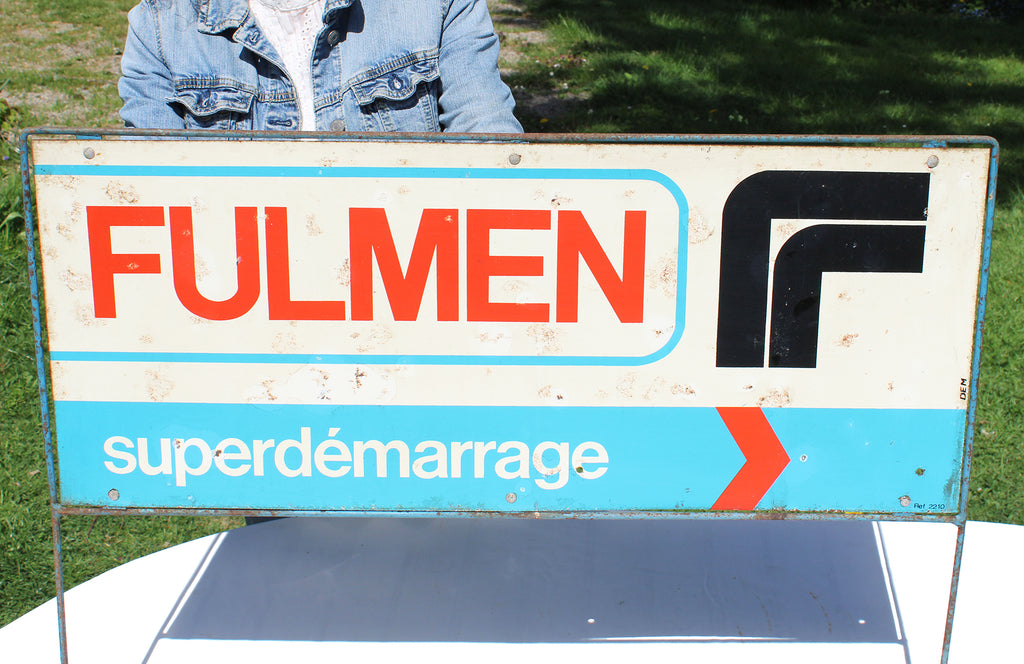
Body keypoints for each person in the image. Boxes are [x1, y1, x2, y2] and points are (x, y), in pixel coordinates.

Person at [118, 0, 523, 133]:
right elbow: (147, 192)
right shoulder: (161, 24)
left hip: (405, 279)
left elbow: (489, 149)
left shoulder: (438, 5)